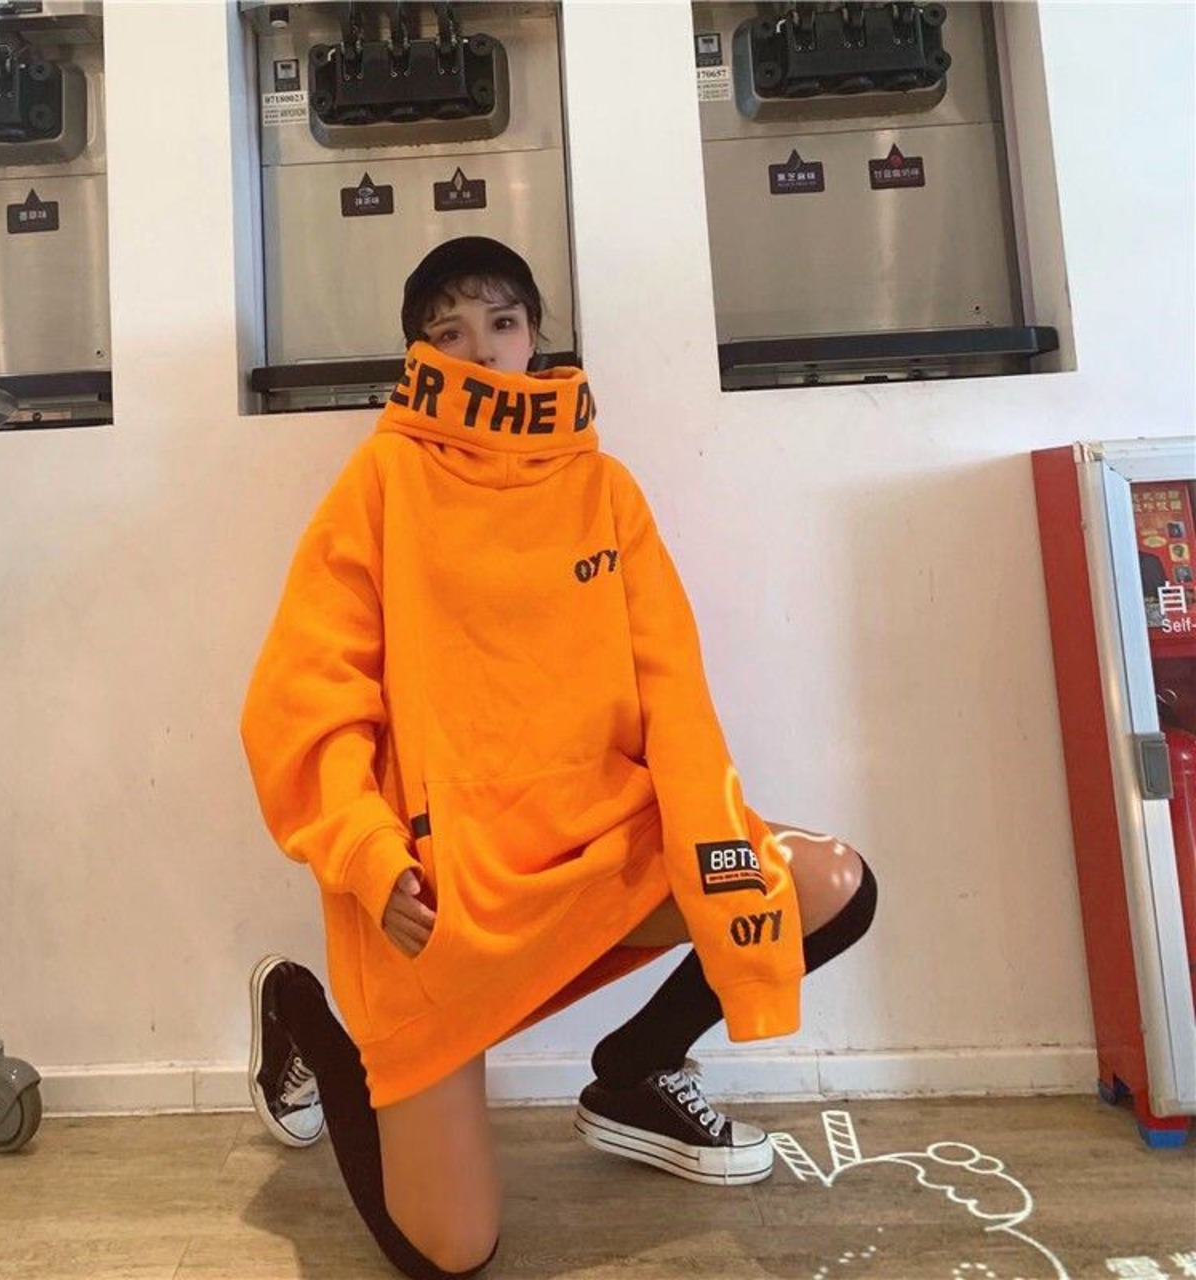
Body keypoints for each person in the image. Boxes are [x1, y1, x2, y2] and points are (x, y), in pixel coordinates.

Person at [240, 236, 877, 1280]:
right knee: (449, 1253)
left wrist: (718, 860)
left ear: (535, 337)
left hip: (600, 855)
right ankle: (302, 1013)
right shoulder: (382, 481)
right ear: (419, 357)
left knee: (829, 886)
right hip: (441, 900)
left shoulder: (604, 490)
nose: (482, 350)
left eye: (502, 322)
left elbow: (675, 700)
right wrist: (363, 851)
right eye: (450, 332)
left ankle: (634, 1074)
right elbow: (302, 697)